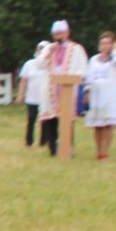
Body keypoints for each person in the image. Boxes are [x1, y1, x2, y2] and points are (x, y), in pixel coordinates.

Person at [37, 20, 86, 157]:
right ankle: (53, 148)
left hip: (67, 88)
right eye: (57, 33)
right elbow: (39, 65)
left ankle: (68, 148)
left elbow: (82, 68)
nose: (59, 35)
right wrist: (48, 53)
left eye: (62, 33)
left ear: (67, 33)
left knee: (66, 120)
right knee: (52, 120)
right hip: (51, 88)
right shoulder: (49, 48)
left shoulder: (76, 49)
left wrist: (74, 78)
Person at [82, 30, 116, 160]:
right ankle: (98, 150)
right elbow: (89, 77)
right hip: (96, 93)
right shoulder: (93, 59)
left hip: (109, 94)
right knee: (98, 125)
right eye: (102, 43)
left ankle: (105, 152)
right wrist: (87, 92)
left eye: (108, 43)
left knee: (108, 125)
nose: (104, 46)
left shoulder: (114, 60)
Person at [18, 40, 49, 147]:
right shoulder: (29, 64)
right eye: (39, 49)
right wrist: (21, 94)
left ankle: (44, 141)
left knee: (45, 120)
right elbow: (24, 80)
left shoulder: (50, 64)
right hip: (32, 98)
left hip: (45, 98)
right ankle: (29, 141)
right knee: (31, 119)